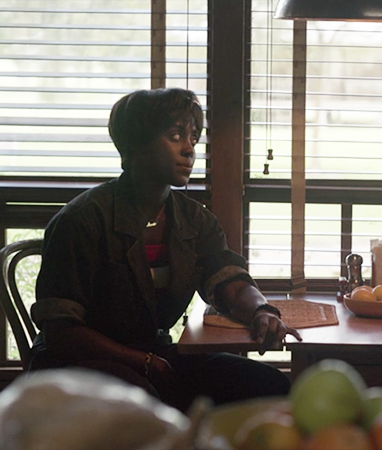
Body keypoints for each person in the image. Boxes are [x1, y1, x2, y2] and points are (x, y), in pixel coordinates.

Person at [29, 87, 302, 413]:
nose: (189, 150)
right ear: (134, 144)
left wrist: (262, 311)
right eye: (175, 136)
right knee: (145, 400)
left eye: (193, 139)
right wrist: (145, 362)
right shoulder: (81, 220)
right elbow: (61, 331)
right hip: (76, 365)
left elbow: (227, 279)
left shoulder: (194, 220)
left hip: (153, 355)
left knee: (269, 385)